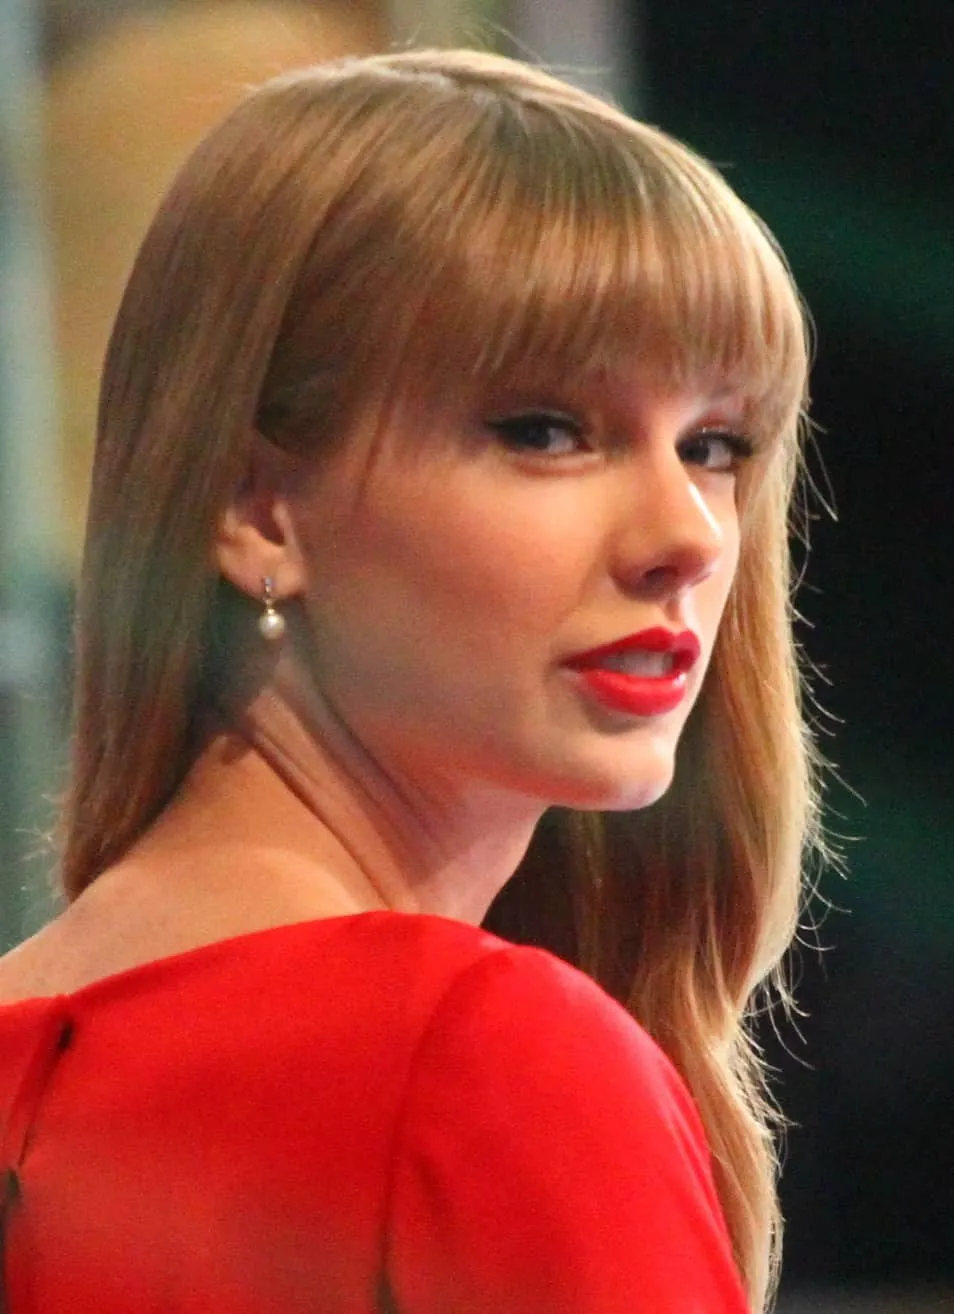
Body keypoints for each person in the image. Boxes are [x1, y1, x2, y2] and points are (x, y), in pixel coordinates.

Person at [0, 48, 824, 1314]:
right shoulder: (490, 1067)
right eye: (544, 430)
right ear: (257, 506)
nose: (695, 536)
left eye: (716, 445)